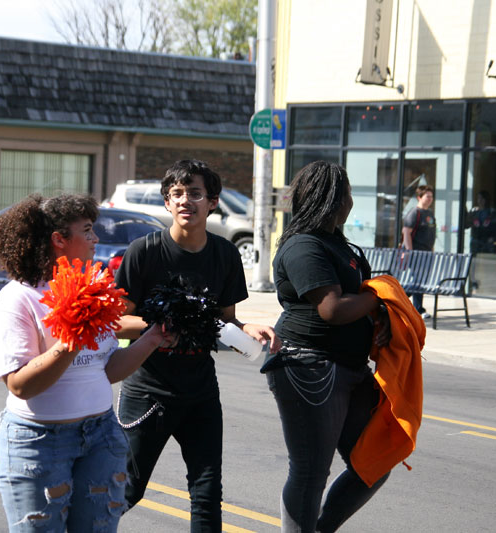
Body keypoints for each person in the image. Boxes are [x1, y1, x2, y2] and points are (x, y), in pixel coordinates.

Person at [0, 193, 175, 533]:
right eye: (87, 230)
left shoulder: (92, 290)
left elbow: (106, 370)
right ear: (59, 240)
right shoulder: (18, 299)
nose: (95, 239)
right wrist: (71, 341)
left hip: (101, 435)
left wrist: (152, 339)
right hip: (39, 441)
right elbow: (20, 385)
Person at [114, 159, 280, 531]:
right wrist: (161, 325)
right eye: (177, 194)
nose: (186, 200)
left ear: (213, 201)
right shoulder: (144, 251)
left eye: (194, 193)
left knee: (206, 495)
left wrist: (248, 329)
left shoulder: (224, 254)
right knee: (127, 490)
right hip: (148, 392)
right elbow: (119, 322)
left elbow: (225, 321)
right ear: (167, 203)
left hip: (201, 391)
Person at [265, 161, 392, 533]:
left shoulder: (338, 245)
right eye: (347, 193)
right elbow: (333, 309)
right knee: (310, 471)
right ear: (331, 199)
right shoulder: (304, 246)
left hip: (350, 368)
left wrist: (379, 318)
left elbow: (358, 301)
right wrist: (381, 295)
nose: (351, 201)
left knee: (373, 462)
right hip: (309, 367)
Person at [401, 184, 436, 318]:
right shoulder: (415, 213)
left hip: (427, 253)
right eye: (427, 196)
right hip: (416, 253)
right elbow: (406, 232)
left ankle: (400, 298)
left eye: (431, 197)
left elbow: (431, 234)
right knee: (417, 280)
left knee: (420, 281)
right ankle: (418, 309)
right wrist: (410, 251)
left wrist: (432, 250)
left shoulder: (430, 213)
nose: (430, 199)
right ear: (419, 197)